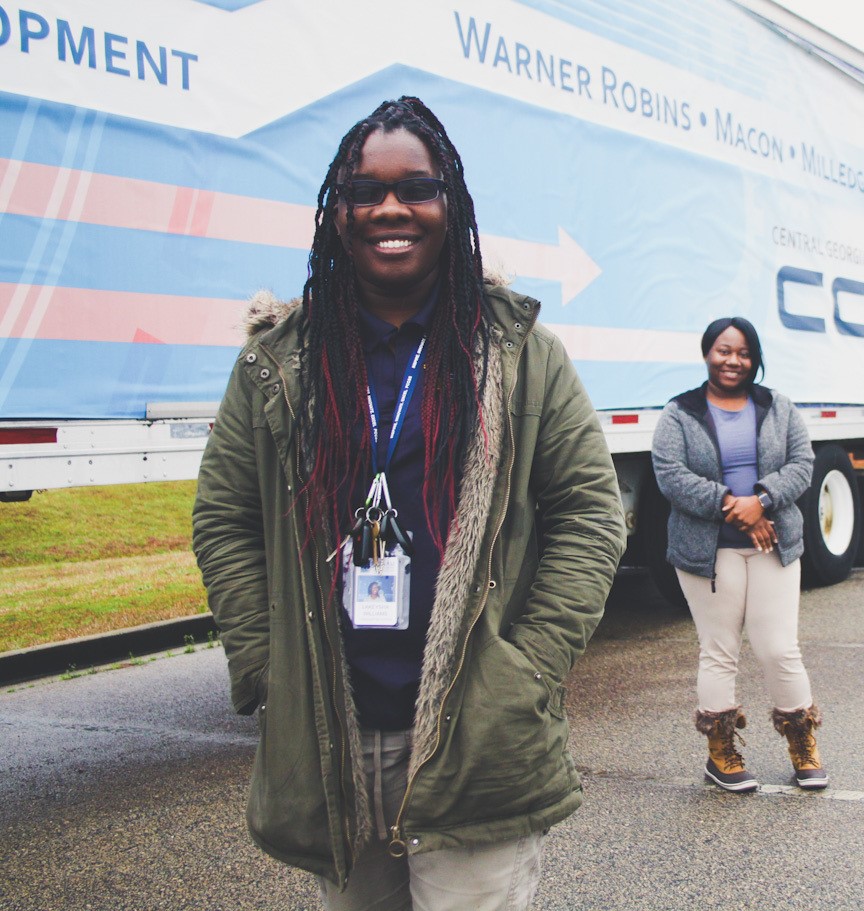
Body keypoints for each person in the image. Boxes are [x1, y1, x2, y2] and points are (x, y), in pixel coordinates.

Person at [192, 96, 626, 911]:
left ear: (450, 205)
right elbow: (225, 519)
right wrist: (265, 665)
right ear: (337, 212)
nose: (390, 207)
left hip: (477, 732)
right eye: (364, 190)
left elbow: (589, 513)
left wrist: (525, 668)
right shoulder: (280, 363)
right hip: (331, 734)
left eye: (416, 187)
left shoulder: (520, 352)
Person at [650, 316, 826, 792]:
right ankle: (721, 754)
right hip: (709, 553)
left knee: (779, 649)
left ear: (755, 358)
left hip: (773, 546)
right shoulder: (679, 412)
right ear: (708, 353)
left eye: (743, 352)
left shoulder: (779, 407)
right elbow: (670, 475)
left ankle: (802, 744)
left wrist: (761, 502)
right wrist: (733, 505)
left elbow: (802, 464)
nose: (733, 360)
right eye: (724, 350)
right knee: (719, 651)